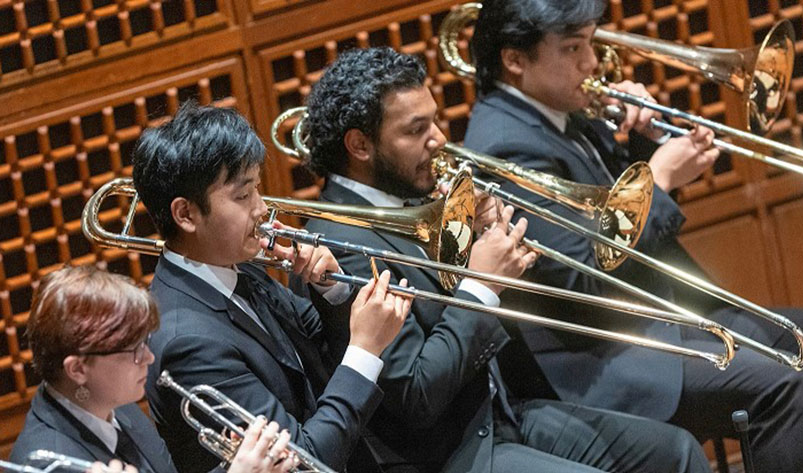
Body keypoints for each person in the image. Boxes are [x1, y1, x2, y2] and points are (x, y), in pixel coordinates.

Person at [463, 1, 803, 472]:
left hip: (651, 321)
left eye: (591, 44)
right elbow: (584, 279)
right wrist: (658, 182)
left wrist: (641, 140)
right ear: (515, 61)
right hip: (598, 358)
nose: (591, 63)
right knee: (782, 382)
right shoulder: (505, 143)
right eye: (574, 48)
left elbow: (613, 211)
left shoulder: (557, 110)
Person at [301, 45, 714, 473]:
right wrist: (480, 285)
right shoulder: (340, 244)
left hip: (503, 413)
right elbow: (417, 395)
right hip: (447, 454)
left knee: (677, 453)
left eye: (435, 121)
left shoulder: (413, 197)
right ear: (360, 145)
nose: (439, 139)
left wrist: (487, 242)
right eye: (415, 129)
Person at [132, 102, 412, 473]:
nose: (262, 209)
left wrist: (332, 291)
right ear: (186, 214)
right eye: (243, 195)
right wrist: (365, 349)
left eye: (258, 190)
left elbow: (318, 350)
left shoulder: (234, 269)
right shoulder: (188, 343)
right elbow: (301, 461)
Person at [11, 265, 298, 473]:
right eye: (133, 350)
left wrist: (237, 463)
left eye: (144, 342)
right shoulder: (48, 464)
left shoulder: (114, 406)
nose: (148, 357)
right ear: (77, 369)